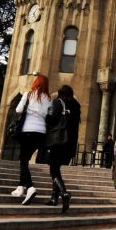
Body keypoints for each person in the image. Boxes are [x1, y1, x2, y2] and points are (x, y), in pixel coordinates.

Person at [11, 73, 52, 205]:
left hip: (28, 130)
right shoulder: (49, 99)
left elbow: (18, 110)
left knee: (23, 160)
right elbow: (50, 115)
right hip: (41, 133)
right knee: (25, 159)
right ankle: (20, 187)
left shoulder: (29, 94)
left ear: (36, 83)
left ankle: (30, 187)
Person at [43, 85, 81, 213]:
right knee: (56, 168)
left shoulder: (58, 103)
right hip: (69, 144)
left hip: (58, 141)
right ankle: (54, 198)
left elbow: (52, 119)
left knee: (53, 169)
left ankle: (64, 193)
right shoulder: (76, 106)